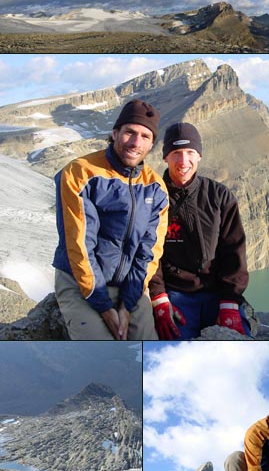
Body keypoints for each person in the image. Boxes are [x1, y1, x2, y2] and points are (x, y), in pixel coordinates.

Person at [53, 99, 169, 340]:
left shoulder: (155, 187)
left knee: (146, 347)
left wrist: (128, 304)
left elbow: (149, 251)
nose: (136, 143)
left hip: (129, 286)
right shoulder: (81, 173)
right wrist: (104, 307)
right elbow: (80, 246)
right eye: (129, 132)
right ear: (115, 133)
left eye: (145, 137)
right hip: (80, 284)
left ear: (151, 144)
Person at [149, 122, 251, 339]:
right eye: (176, 153)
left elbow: (233, 250)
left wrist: (230, 301)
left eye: (190, 152)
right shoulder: (153, 197)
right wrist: (158, 297)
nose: (183, 161)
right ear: (165, 157)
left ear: (199, 156)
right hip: (176, 295)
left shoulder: (219, 196)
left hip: (218, 294)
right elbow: (148, 252)